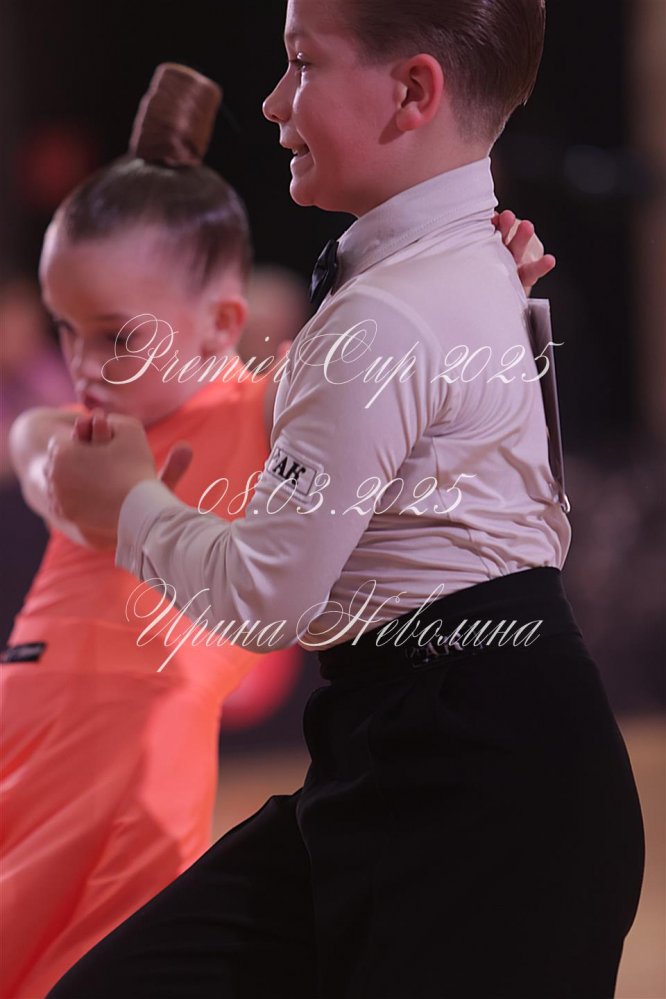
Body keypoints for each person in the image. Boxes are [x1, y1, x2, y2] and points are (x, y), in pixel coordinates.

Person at [45, 1, 645, 996]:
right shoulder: (465, 267)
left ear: (412, 91)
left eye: (302, 64)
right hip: (420, 765)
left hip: (487, 806)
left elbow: (266, 594)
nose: (273, 102)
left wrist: (125, 507)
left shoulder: (406, 303)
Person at [1, 63, 303, 999]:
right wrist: (69, 476)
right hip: (24, 729)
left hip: (144, 754)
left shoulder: (273, 409)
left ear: (220, 322)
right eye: (65, 329)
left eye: (117, 337)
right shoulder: (71, 434)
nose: (82, 364)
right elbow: (35, 450)